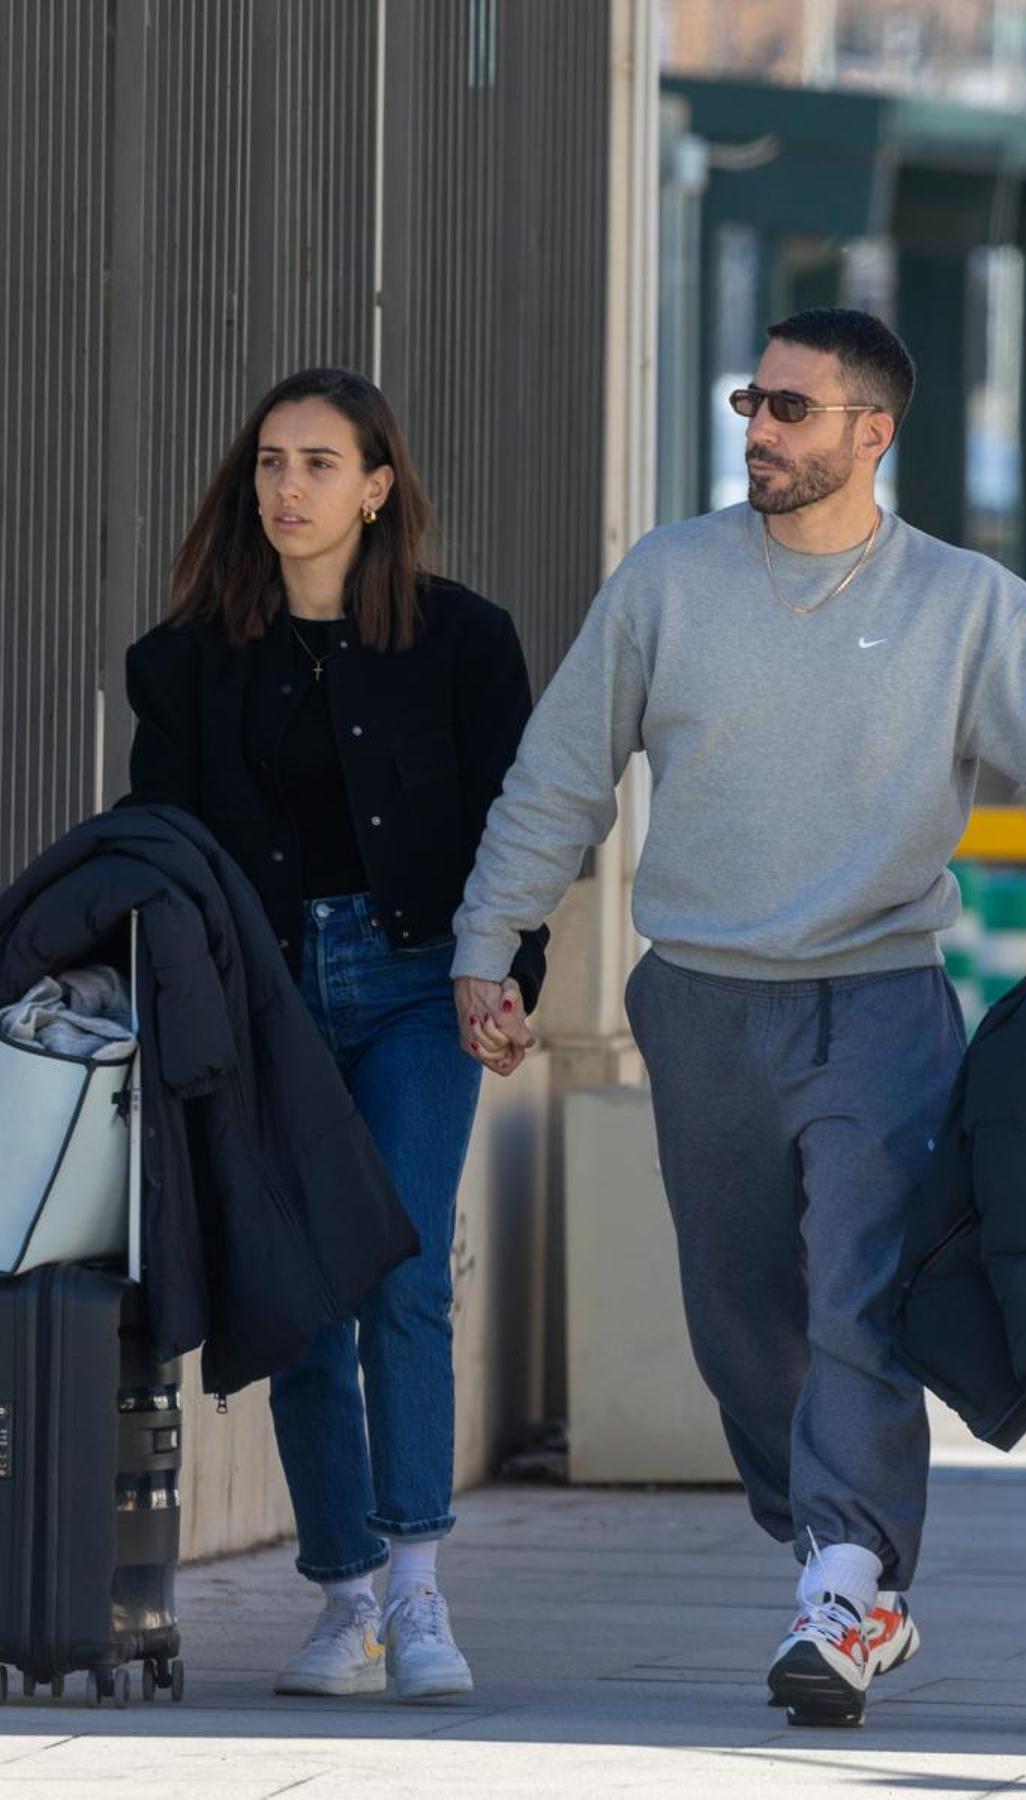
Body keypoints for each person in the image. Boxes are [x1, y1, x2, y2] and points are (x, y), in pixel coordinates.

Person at [450, 308, 1026, 1724]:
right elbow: (560, 777)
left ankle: (848, 1581)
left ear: (874, 432)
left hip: (879, 1004)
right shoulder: (669, 580)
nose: (760, 431)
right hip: (702, 1002)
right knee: (742, 1321)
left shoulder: (961, 605)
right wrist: (492, 943)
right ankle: (828, 1545)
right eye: (752, 402)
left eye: (791, 409)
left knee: (861, 1292)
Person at [123, 367, 545, 1702]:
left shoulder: (465, 642)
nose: (285, 488)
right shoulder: (191, 659)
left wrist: (509, 970)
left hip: (422, 984)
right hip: (270, 1001)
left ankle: (422, 1597)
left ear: (378, 487)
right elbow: (165, 853)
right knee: (302, 1300)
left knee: (402, 1270)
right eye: (267, 464)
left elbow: (515, 825)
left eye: (316, 463)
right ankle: (344, 1597)